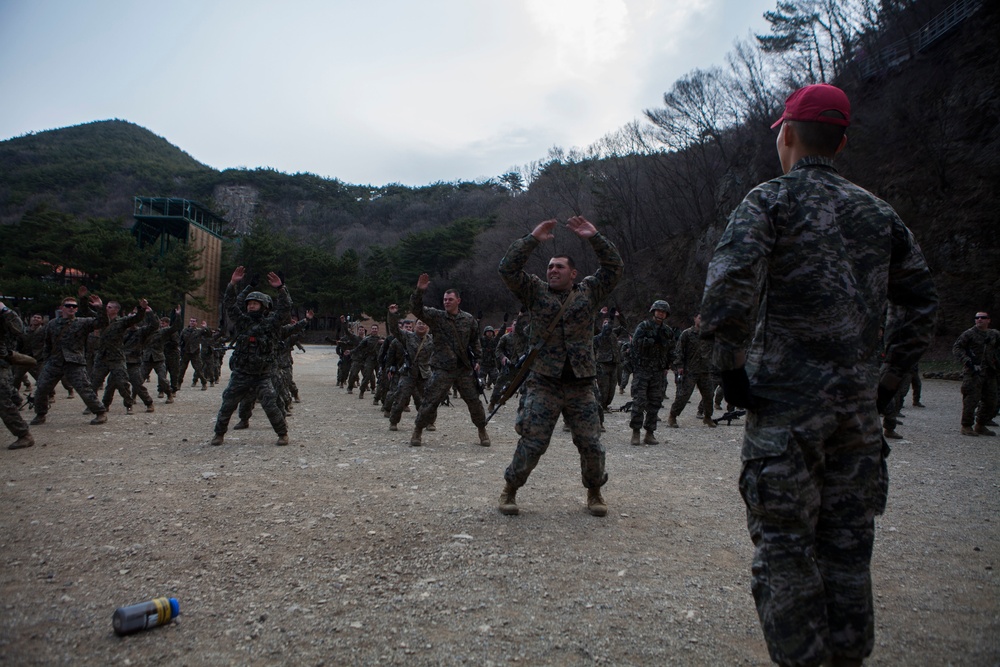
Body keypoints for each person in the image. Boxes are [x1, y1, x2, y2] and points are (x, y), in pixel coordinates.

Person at [700, 83, 938, 666]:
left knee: (784, 550)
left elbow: (729, 289)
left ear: (786, 133)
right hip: (857, 416)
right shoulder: (879, 214)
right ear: (843, 140)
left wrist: (730, 373)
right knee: (848, 553)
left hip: (786, 412)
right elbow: (921, 302)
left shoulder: (771, 200)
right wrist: (886, 383)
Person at [496, 216, 623, 517]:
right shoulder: (535, 292)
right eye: (550, 266)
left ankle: (594, 492)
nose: (553, 270)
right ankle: (509, 489)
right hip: (544, 381)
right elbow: (507, 269)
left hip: (580, 383)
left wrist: (595, 238)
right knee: (533, 441)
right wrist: (532, 239)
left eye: (559, 267)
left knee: (591, 443)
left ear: (573, 273)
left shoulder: (589, 292)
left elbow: (614, 268)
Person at [211, 267, 291, 447]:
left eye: (255, 303)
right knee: (228, 403)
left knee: (271, 405)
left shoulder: (271, 323)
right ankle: (219, 434)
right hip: (241, 373)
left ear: (263, 306)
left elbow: (285, 309)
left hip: (262, 375)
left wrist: (281, 288)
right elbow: (230, 304)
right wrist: (233, 284)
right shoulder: (243, 321)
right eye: (249, 304)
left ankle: (283, 433)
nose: (250, 306)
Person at [409, 278, 490, 447]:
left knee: (474, 401)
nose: (446, 302)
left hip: (463, 368)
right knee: (430, 400)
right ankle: (418, 430)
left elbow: (475, 341)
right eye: (445, 300)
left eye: (450, 299)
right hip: (442, 368)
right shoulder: (436, 317)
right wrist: (419, 291)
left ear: (458, 301)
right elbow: (416, 309)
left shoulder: (468, 320)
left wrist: (478, 359)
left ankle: (482, 429)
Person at [31, 293, 110, 426]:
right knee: (42, 387)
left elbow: (102, 322)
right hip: (55, 361)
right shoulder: (52, 324)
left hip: (74, 361)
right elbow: (47, 344)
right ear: (62, 308)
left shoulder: (82, 323)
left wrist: (100, 308)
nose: (71, 308)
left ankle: (100, 412)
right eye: (68, 306)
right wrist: (46, 360)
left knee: (84, 389)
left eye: (74, 306)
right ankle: (40, 414)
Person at [628, 300, 674, 445]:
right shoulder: (644, 327)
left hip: (658, 372)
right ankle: (636, 432)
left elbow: (671, 351)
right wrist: (650, 341)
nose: (660, 313)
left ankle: (649, 433)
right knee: (639, 402)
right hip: (643, 370)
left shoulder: (668, 331)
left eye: (663, 311)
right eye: (658, 311)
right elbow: (635, 345)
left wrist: (668, 365)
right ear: (653, 311)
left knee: (655, 403)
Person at [952, 311, 998, 436]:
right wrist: (967, 361)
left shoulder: (994, 334)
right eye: (977, 318)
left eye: (983, 318)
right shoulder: (969, 334)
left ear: (988, 320)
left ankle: (981, 424)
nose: (979, 320)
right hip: (973, 372)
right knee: (971, 400)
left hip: (990, 372)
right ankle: (966, 426)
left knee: (991, 400)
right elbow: (957, 348)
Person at [667, 314, 717, 428]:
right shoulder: (687, 333)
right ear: (695, 319)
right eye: (700, 317)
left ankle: (708, 417)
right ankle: (672, 416)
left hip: (705, 370)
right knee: (684, 395)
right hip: (690, 370)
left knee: (709, 395)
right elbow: (679, 350)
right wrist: (679, 366)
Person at [0, 301, 34, 449]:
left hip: (1, 362)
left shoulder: (5, 315)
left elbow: (19, 330)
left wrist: (4, 309)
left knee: (2, 400)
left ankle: (23, 434)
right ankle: (16, 397)